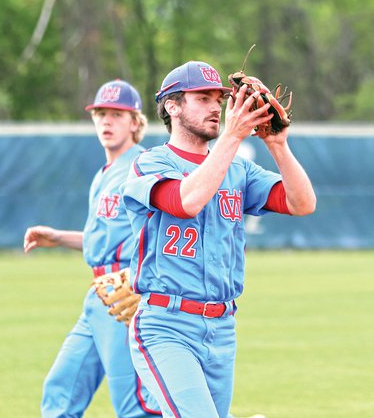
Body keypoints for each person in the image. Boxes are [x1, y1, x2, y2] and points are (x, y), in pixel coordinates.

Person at [120, 61, 317, 418]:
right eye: (202, 97)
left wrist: (277, 144)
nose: (216, 106)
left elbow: (302, 203)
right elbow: (185, 201)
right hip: (167, 326)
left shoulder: (239, 169)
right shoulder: (148, 164)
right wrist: (233, 136)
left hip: (223, 328)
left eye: (219, 98)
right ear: (172, 106)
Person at [23, 80, 161, 418]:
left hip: (126, 298)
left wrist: (145, 281)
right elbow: (101, 243)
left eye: (117, 114)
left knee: (138, 408)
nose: (106, 122)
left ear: (135, 122)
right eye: (100, 114)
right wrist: (57, 237)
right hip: (98, 298)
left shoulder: (144, 167)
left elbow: (164, 231)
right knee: (61, 391)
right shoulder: (104, 174)